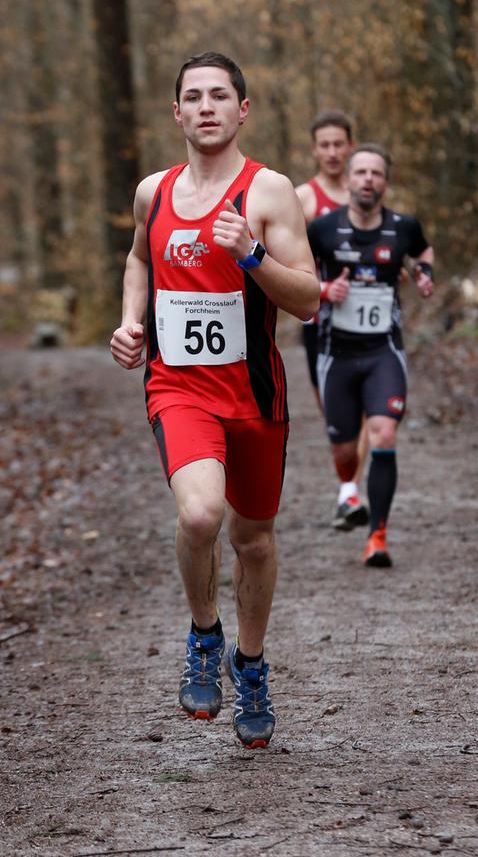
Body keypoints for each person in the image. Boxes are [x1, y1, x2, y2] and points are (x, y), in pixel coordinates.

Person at [110, 51, 319, 749]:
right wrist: (131, 319)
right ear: (176, 112)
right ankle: (204, 632)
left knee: (252, 538)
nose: (206, 106)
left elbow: (312, 299)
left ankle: (250, 664)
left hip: (253, 393)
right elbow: (139, 257)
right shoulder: (154, 191)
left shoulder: (270, 192)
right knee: (200, 512)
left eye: (219, 96)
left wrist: (252, 256)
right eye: (192, 96)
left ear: (242, 109)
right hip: (180, 388)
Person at [307, 143, 434, 567]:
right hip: (336, 353)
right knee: (345, 451)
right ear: (347, 181)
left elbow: (423, 251)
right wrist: (326, 290)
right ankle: (347, 488)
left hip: (384, 351)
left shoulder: (403, 227)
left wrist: (423, 272)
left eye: (376, 173)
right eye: (360, 172)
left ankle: (377, 535)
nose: (367, 180)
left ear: (386, 182)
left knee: (383, 432)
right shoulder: (323, 229)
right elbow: (297, 273)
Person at [295, 110, 369, 529]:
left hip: (367, 320)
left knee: (364, 405)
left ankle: (350, 492)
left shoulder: (366, 190)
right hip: (321, 321)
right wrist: (321, 290)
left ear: (351, 146)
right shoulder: (303, 199)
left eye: (339, 144)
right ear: (314, 150)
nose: (332, 152)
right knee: (334, 409)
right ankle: (349, 483)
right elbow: (290, 260)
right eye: (324, 145)